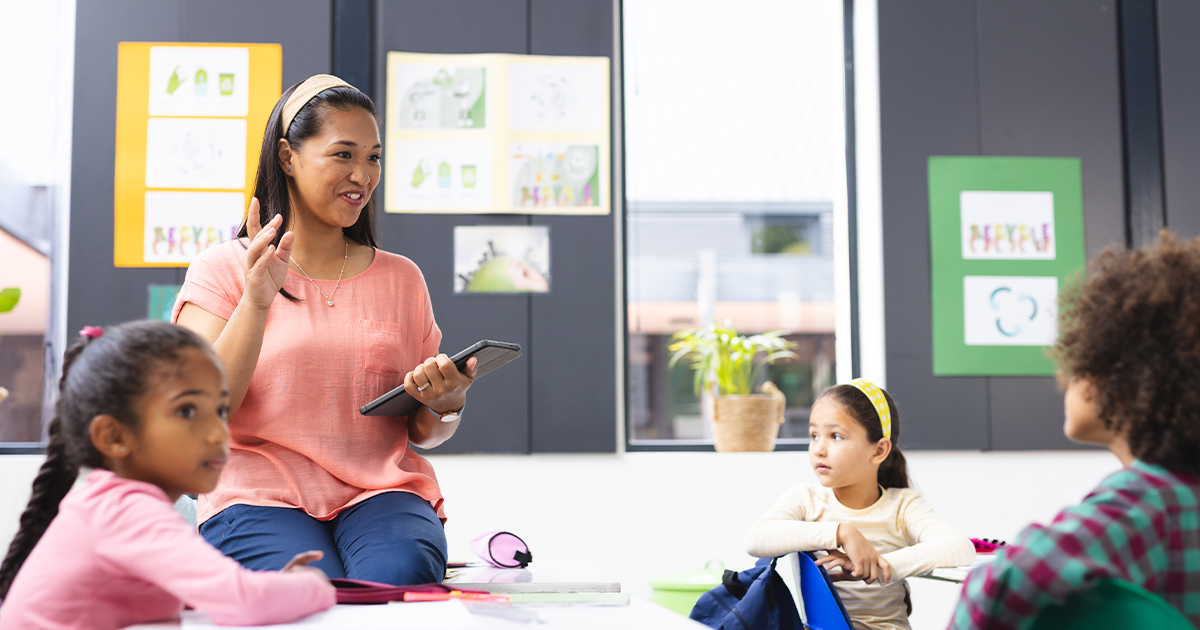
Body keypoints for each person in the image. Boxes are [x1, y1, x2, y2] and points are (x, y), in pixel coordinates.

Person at [173, 74, 476, 585]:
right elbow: (201, 407)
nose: (363, 174)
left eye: (374, 157)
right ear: (288, 157)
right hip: (256, 492)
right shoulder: (223, 269)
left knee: (399, 574)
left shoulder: (402, 277)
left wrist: (447, 402)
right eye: (343, 154)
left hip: (382, 494)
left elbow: (424, 432)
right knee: (303, 585)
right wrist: (256, 300)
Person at [0, 322, 335, 630]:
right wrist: (313, 584)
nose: (219, 433)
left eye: (220, 411)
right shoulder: (126, 511)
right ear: (114, 436)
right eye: (187, 411)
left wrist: (275, 586)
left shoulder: (110, 502)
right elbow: (243, 601)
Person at [949, 232, 1200, 629]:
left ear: (1127, 381)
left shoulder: (1152, 500)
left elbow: (1004, 587)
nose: (1065, 376)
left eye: (1082, 358)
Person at [746, 380, 975, 630]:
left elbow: (959, 547)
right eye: (814, 435)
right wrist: (842, 533)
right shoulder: (805, 499)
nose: (819, 449)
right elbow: (756, 538)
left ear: (879, 450)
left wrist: (880, 566)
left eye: (835, 436)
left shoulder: (902, 506)